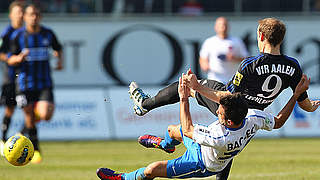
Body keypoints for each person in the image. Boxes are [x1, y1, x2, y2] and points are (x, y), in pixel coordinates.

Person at [128, 17, 320, 179]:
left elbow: (227, 96)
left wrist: (197, 88)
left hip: (234, 104)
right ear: (281, 39)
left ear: (261, 36)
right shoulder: (293, 67)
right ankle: (167, 143)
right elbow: (305, 104)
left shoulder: (251, 64)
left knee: (187, 86)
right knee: (228, 146)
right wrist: (312, 106)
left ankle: (145, 105)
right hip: (251, 116)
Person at [97, 73, 311, 180]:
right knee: (172, 131)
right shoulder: (253, 116)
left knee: (152, 170)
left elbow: (189, 128)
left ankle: (122, 178)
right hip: (204, 146)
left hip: (201, 162)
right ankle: (166, 144)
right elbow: (279, 121)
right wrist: (294, 95)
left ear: (227, 121)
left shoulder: (219, 136)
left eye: (219, 111)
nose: (217, 110)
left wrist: (184, 98)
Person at [7, 4, 63, 164]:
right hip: (24, 84)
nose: (34, 17)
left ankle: (22, 130)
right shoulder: (17, 36)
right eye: (31, 14)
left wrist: (59, 60)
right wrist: (17, 59)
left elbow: (58, 48)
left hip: (44, 82)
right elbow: (9, 58)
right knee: (29, 115)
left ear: (40, 16)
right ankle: (36, 150)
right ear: (24, 16)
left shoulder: (48, 34)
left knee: (45, 114)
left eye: (37, 14)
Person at [0, 1, 24, 154]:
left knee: (29, 108)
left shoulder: (27, 31)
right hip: (10, 77)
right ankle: (3, 138)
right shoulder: (6, 33)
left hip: (27, 78)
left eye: (22, 12)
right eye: (17, 12)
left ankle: (22, 136)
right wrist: (10, 58)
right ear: (11, 15)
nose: (20, 15)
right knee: (10, 108)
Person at [199, 17, 248, 84]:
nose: (223, 27)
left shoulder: (237, 41)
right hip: (215, 79)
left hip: (232, 80)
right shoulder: (209, 42)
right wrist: (204, 65)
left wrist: (234, 58)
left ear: (228, 27)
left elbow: (246, 59)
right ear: (215, 27)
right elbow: (203, 58)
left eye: (225, 25)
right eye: (220, 25)